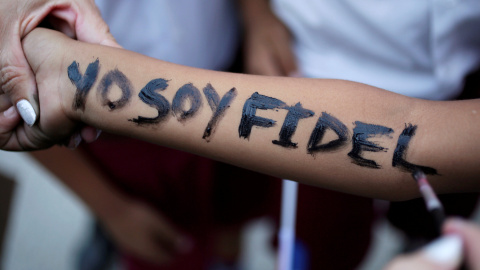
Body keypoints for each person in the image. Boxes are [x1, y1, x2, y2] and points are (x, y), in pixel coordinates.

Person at [23, 1, 279, 270]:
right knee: (163, 246)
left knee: (233, 211)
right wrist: (112, 209)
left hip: (230, 72)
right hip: (124, 140)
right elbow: (19, 108)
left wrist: (257, 14)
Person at [238, 0, 480, 266]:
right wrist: (257, 14)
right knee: (323, 244)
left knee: (433, 228)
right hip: (315, 75)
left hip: (464, 86)